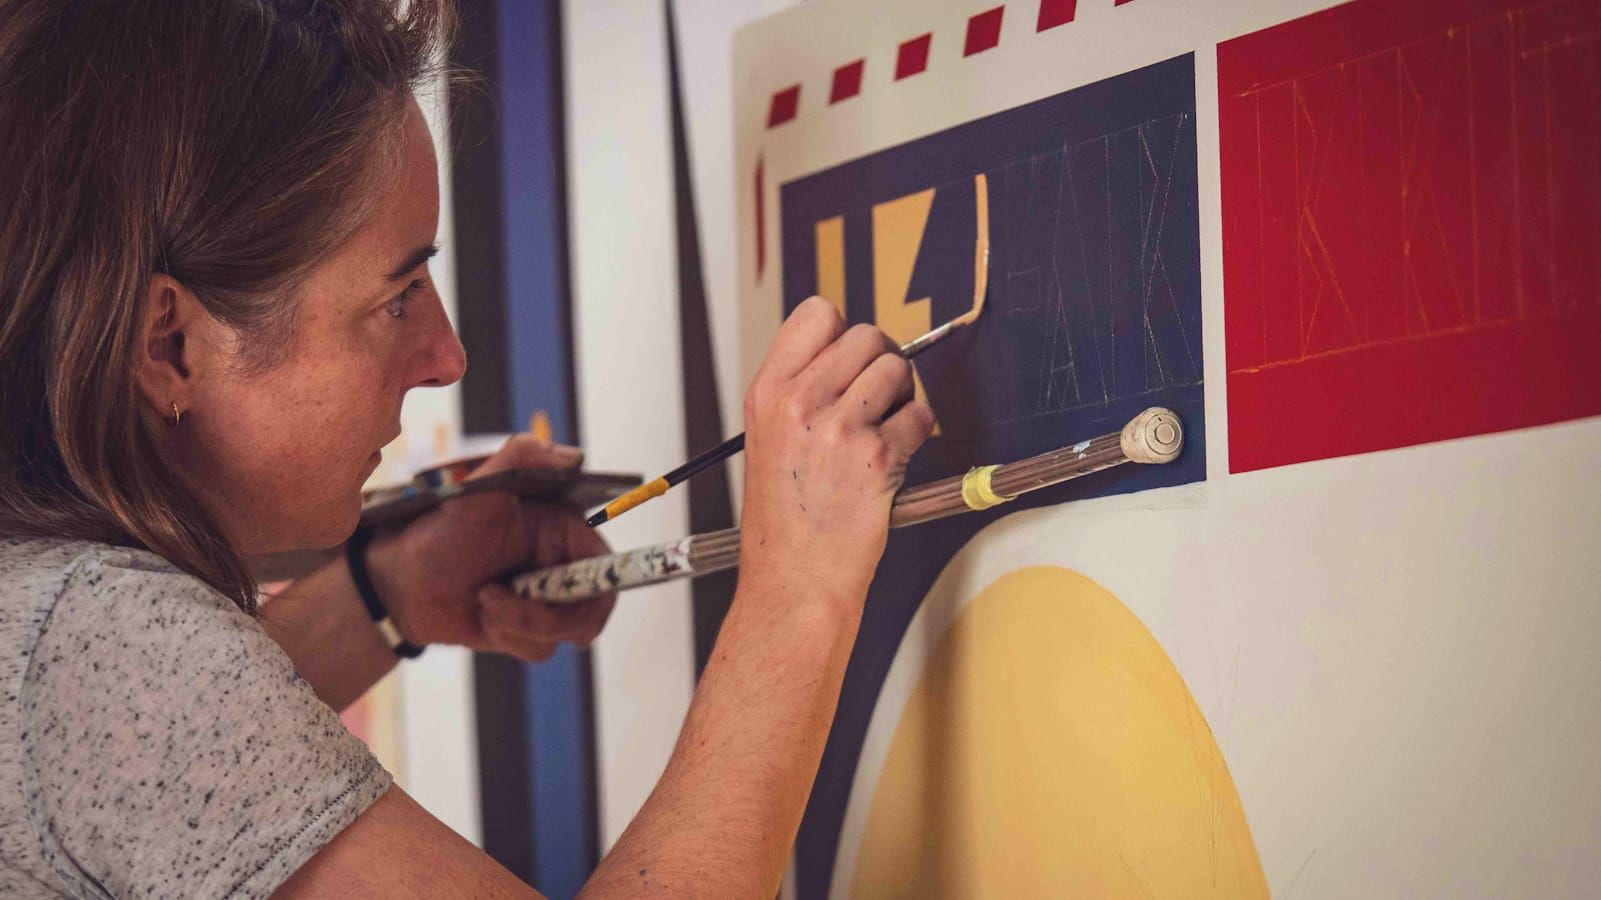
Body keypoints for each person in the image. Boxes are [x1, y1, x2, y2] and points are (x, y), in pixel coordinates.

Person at [0, 0, 933, 896]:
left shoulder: (50, 626)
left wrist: (392, 592)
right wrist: (797, 587)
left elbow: (143, 766)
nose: (447, 357)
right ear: (169, 345)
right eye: (396, 297)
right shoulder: (96, 638)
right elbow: (146, 705)